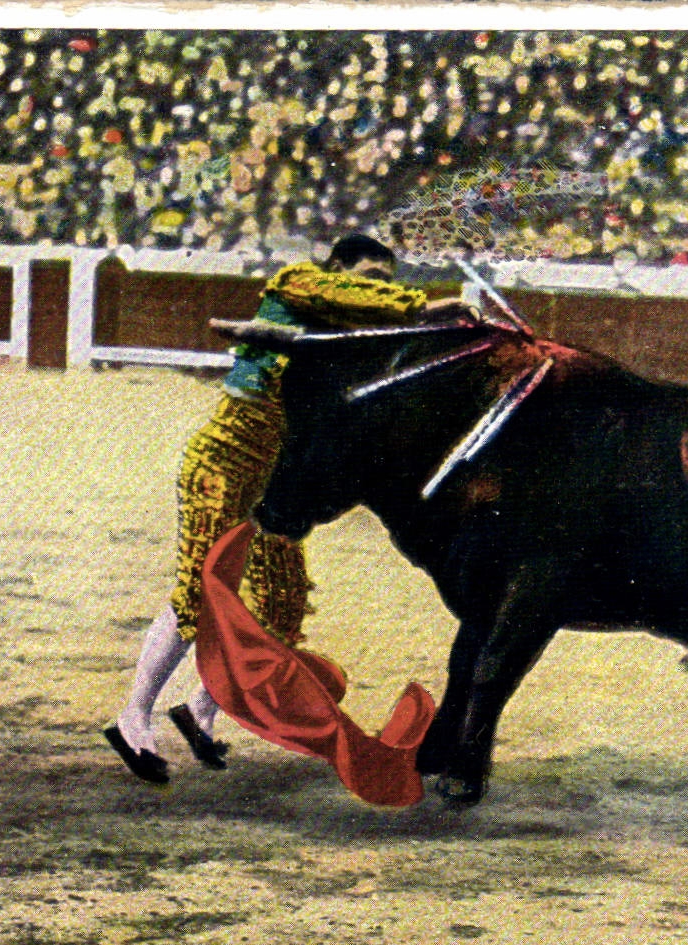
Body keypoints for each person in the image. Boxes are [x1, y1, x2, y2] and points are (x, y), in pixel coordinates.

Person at [104, 234, 471, 783]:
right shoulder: (297, 281)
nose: (378, 288)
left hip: (278, 478)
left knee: (282, 607)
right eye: (369, 276)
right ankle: (134, 715)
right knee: (196, 593)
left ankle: (201, 710)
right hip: (222, 462)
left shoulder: (354, 341)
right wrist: (424, 307)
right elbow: (356, 303)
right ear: (337, 269)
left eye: (387, 281)